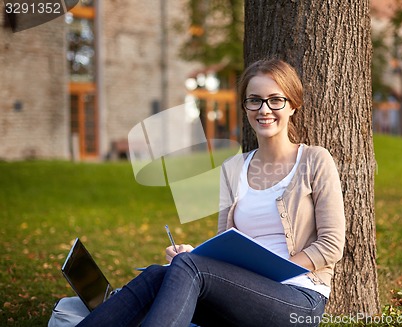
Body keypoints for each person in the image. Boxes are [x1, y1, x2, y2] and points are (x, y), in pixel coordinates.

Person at [76, 59, 345, 327]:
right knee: (160, 274)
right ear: (245, 106)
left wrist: (267, 273)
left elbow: (331, 244)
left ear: (293, 106)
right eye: (254, 100)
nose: (264, 109)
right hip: (241, 295)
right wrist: (197, 255)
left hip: (299, 299)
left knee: (191, 268)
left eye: (276, 100)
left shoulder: (314, 160)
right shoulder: (233, 169)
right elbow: (224, 244)